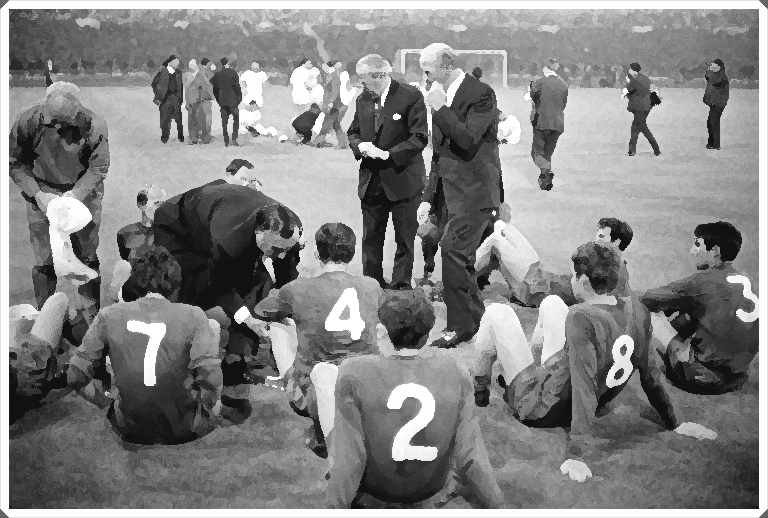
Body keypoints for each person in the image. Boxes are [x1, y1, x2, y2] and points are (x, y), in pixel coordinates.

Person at [472, 242, 718, 483]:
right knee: (552, 303)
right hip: (594, 396)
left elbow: (584, 385)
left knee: (497, 313)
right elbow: (651, 376)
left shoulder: (582, 317)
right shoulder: (637, 309)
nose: (571, 280)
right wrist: (676, 421)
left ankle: (480, 392)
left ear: (584, 281)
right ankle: (534, 371)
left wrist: (577, 454)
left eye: (573, 275)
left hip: (541, 407)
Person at [327, 289, 504, 509]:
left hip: (374, 493)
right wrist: (499, 507)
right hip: (430, 491)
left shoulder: (353, 371)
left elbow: (350, 460)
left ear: (381, 331)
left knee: (324, 376)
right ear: (428, 335)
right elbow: (472, 455)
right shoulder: (455, 368)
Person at [43, 245, 230, 447]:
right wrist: (209, 406)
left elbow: (75, 375)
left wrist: (105, 402)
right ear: (175, 283)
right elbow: (212, 379)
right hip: (186, 427)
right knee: (213, 325)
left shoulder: (108, 315)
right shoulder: (193, 315)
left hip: (128, 428)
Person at [153, 180, 304, 409]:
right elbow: (224, 288)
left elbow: (287, 274)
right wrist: (249, 318)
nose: (280, 257)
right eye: (274, 251)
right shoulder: (230, 241)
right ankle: (174, 357)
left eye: (286, 249)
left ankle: (237, 360)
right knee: (187, 291)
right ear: (259, 233)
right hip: (179, 230)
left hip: (216, 214)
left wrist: (290, 311)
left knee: (261, 282)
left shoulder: (289, 231)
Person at [248, 223, 384, 457]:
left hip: (315, 391)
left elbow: (261, 310)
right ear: (351, 254)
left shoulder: (296, 289)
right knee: (378, 325)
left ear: (317, 253)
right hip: (366, 384)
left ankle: (291, 385)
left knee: (281, 323)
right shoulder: (372, 286)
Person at [417, 43, 500, 348]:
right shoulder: (442, 94)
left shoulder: (481, 93)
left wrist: (440, 108)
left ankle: (460, 326)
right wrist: (427, 197)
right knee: (456, 256)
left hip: (475, 193)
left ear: (447, 66)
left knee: (452, 251)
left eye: (428, 69)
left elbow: (466, 140)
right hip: (447, 192)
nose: (424, 76)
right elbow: (439, 155)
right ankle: (477, 319)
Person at [9, 82, 109, 313]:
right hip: (41, 194)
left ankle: (91, 317)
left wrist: (75, 196)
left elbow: (99, 167)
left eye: (64, 122)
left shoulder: (95, 124)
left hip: (83, 195)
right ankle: (46, 316)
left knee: (87, 255)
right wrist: (38, 195)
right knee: (44, 260)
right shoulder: (28, 120)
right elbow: (15, 163)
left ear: (77, 110)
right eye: (53, 121)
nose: (58, 127)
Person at [640, 222, 758, 395]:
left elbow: (647, 300)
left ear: (715, 251)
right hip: (739, 376)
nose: (691, 251)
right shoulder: (747, 280)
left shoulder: (702, 282)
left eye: (697, 244)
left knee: (653, 317)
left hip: (700, 378)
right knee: (693, 313)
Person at [347, 54, 428, 291]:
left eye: (365, 80)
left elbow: (419, 137)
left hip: (404, 180)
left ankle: (401, 285)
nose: (362, 85)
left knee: (405, 239)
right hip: (371, 182)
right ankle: (371, 284)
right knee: (371, 238)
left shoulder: (410, 96)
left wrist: (389, 155)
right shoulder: (363, 99)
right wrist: (359, 146)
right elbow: (353, 132)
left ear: (381, 75)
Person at [476, 212, 633, 307]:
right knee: (502, 226)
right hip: (538, 276)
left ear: (617, 242)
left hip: (533, 290)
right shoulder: (600, 258)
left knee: (496, 241)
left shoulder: (617, 270)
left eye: (601, 236)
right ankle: (474, 275)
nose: (595, 238)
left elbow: (620, 300)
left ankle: (460, 275)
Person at [524, 58, 568, 190]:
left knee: (537, 153)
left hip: (542, 122)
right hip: (558, 123)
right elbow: (563, 104)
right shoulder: (563, 83)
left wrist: (530, 87)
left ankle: (546, 170)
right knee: (547, 153)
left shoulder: (540, 82)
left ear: (545, 68)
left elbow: (529, 97)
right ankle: (545, 183)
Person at [116, 185, 167, 261]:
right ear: (141, 204)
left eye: (164, 204)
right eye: (156, 203)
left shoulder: (170, 233)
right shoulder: (125, 234)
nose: (161, 208)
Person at [622, 62, 660, 157]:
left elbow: (631, 91)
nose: (629, 70)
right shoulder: (643, 78)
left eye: (630, 69)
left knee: (641, 128)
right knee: (637, 127)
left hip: (641, 107)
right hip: (644, 106)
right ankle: (633, 150)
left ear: (633, 70)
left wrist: (628, 82)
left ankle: (655, 149)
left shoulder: (636, 80)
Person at [311, 61, 349, 149]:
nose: (323, 68)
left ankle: (319, 141)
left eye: (324, 66)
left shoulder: (334, 77)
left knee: (326, 123)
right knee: (336, 124)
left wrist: (330, 103)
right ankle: (342, 143)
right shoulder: (330, 76)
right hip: (333, 104)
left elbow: (335, 92)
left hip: (334, 105)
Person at [210, 57, 243, 147]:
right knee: (235, 120)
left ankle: (226, 141)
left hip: (223, 101)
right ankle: (234, 140)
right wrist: (239, 99)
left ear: (221, 64)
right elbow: (237, 88)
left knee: (224, 122)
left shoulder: (218, 75)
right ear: (228, 63)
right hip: (233, 101)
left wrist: (218, 100)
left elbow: (214, 90)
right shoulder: (233, 73)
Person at [152, 55, 184, 144]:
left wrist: (180, 98)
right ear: (170, 62)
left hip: (176, 98)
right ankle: (164, 138)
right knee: (165, 119)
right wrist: (159, 96)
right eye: (176, 62)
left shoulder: (178, 72)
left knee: (178, 119)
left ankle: (181, 137)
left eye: (178, 62)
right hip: (165, 99)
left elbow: (180, 87)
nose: (177, 63)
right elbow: (154, 84)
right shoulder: (163, 71)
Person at [185, 59, 215, 145]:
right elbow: (207, 87)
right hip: (202, 100)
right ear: (208, 64)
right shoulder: (203, 74)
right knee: (206, 120)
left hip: (194, 99)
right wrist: (211, 96)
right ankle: (205, 138)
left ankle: (194, 138)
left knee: (194, 120)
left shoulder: (195, 74)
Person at [703, 59, 729, 150]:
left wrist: (708, 71)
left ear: (720, 67)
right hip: (714, 103)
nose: (713, 68)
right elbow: (710, 82)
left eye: (715, 67)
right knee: (710, 123)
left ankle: (715, 144)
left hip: (718, 103)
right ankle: (711, 143)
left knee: (714, 123)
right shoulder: (715, 75)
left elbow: (714, 82)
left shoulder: (721, 76)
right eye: (712, 66)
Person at [239, 61, 269, 138]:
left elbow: (265, 85)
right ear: (251, 67)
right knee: (248, 111)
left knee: (256, 112)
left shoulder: (262, 74)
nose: (254, 67)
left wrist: (264, 95)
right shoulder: (247, 73)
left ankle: (254, 128)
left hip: (258, 96)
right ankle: (249, 128)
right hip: (249, 96)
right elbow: (240, 81)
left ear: (258, 67)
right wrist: (244, 90)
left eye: (256, 66)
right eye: (253, 66)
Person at [199, 58, 216, 142]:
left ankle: (204, 135)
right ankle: (206, 136)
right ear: (208, 63)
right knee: (207, 116)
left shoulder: (199, 71)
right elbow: (208, 85)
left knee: (203, 116)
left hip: (200, 97)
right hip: (205, 97)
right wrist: (212, 96)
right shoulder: (204, 72)